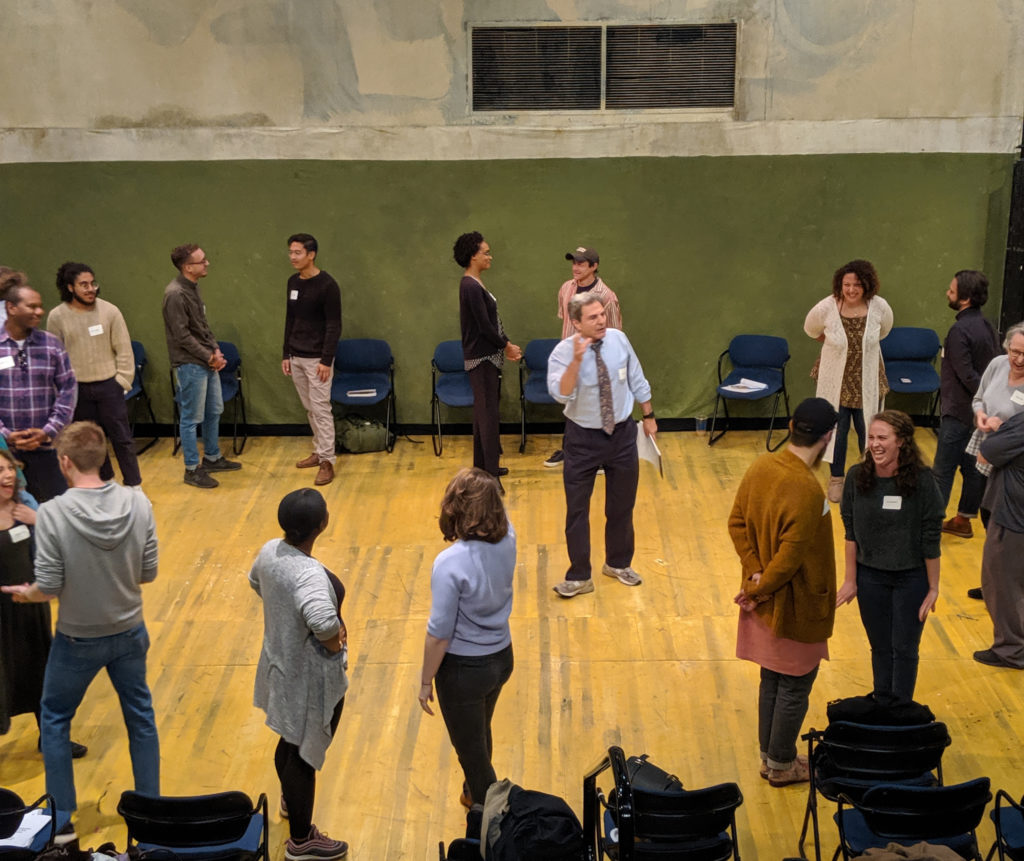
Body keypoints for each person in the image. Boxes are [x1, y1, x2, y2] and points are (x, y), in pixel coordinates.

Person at [2, 422, 159, 830]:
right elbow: (149, 572)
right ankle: (151, 812)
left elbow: (49, 587)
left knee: (54, 719)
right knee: (141, 718)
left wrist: (25, 593)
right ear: (105, 457)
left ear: (65, 462)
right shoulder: (139, 504)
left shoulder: (51, 513)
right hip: (129, 633)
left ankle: (62, 817)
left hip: (76, 640)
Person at [729, 397, 838, 787]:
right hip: (796, 605)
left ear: (792, 424)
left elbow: (737, 523)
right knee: (794, 685)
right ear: (828, 436)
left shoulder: (761, 466)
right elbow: (791, 559)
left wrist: (755, 576)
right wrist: (762, 587)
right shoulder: (807, 489)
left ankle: (771, 756)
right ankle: (781, 765)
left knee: (771, 680)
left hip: (764, 596)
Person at [249, 488, 350, 861]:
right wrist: (334, 643)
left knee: (288, 741)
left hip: (280, 665)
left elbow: (255, 580)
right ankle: (301, 841)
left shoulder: (271, 550)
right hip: (310, 680)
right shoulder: (308, 575)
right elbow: (323, 621)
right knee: (304, 754)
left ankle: (293, 802)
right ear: (321, 524)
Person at [546, 292, 657, 598]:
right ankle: (580, 575)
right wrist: (578, 361)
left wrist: (648, 415)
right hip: (582, 439)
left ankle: (618, 564)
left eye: (602, 314)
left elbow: (636, 376)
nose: (601, 321)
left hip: (621, 435)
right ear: (576, 322)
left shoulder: (619, 340)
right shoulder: (562, 353)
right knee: (577, 509)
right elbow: (560, 394)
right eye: (593, 317)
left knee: (622, 505)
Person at [417, 468, 515, 809]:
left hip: (463, 672)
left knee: (472, 756)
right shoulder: (509, 537)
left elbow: (439, 634)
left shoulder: (449, 563)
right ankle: (472, 794)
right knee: (479, 732)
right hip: (502, 658)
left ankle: (492, 822)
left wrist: (426, 680)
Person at [837, 410, 943, 704]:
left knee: (905, 648)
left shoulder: (922, 480)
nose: (875, 444)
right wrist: (850, 579)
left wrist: (933, 587)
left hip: (911, 578)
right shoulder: (856, 477)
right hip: (870, 576)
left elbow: (931, 536)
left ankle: (901, 711)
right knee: (880, 647)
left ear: (902, 442)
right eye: (871, 437)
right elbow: (850, 532)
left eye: (883, 437)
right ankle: (883, 706)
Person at [0, 448, 86, 758]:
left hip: (30, 607)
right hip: (1, 612)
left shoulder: (25, 504)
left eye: (10, 468)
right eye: (1, 471)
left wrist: (38, 520)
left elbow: (65, 537)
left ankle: (51, 737)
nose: (9, 475)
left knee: (42, 672)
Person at [804, 259, 893, 503]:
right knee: (839, 431)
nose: (851, 289)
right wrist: (836, 345)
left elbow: (884, 331)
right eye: (846, 284)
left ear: (867, 285)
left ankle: (869, 478)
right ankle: (837, 480)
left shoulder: (879, 307)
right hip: (837, 379)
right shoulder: (827, 306)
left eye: (857, 285)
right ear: (839, 285)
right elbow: (810, 329)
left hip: (867, 377)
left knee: (870, 430)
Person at [47, 262, 142, 488]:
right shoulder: (56, 317)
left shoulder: (110, 311)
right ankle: (106, 484)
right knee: (91, 442)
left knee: (122, 438)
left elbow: (124, 349)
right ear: (70, 287)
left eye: (92, 283)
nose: (90, 289)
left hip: (109, 386)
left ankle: (134, 486)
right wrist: (62, 392)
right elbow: (55, 358)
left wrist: (122, 381)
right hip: (77, 390)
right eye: (83, 285)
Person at [163, 244, 241, 489]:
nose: (207, 263)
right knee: (190, 418)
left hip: (207, 362)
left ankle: (212, 457)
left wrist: (216, 349)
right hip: (190, 365)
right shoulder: (175, 294)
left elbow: (202, 326)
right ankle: (192, 469)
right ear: (188, 267)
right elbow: (182, 336)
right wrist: (209, 357)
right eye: (202, 260)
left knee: (214, 410)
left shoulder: (193, 288)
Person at [933, 271, 1000, 540]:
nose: (948, 293)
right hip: (976, 414)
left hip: (959, 412)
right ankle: (963, 519)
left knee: (942, 471)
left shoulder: (959, 330)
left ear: (965, 298)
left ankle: (931, 524)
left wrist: (981, 398)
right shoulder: (987, 326)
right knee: (972, 469)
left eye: (952, 290)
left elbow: (967, 375)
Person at [545, 247, 623, 468]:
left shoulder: (606, 296)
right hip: (572, 359)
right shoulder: (566, 289)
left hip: (597, 360)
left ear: (594, 266)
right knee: (571, 404)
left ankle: (601, 459)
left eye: (581, 263)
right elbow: (566, 322)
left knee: (597, 406)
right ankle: (570, 450)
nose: (575, 268)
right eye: (574, 263)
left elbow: (615, 332)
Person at [454, 232, 521, 483]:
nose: (489, 256)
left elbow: (492, 321)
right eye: (485, 252)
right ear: (473, 256)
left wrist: (506, 343)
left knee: (486, 413)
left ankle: (483, 468)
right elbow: (484, 325)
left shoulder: (475, 283)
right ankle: (490, 476)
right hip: (481, 359)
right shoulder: (469, 285)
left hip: (488, 357)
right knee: (488, 416)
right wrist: (506, 346)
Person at [0, 282, 76, 502]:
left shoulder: (51, 344)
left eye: (40, 306)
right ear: (12, 308)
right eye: (32, 306)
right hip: (5, 454)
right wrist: (6, 435)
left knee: (57, 510)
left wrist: (48, 430)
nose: (39, 312)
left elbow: (68, 390)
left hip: (47, 449)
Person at [282, 233, 342, 487]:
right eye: (291, 252)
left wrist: (326, 360)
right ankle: (319, 451)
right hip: (296, 356)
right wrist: (286, 353)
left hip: (317, 359)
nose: (292, 257)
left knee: (321, 408)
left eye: (297, 253)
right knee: (310, 408)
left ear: (311, 254)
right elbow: (290, 318)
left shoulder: (327, 285)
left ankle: (328, 460)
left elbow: (334, 324)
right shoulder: (293, 282)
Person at [974, 410, 1024, 669]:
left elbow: (986, 453)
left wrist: (997, 427)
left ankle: (1011, 650)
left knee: (1002, 584)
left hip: (1013, 518)